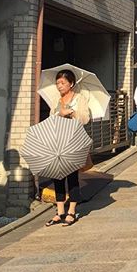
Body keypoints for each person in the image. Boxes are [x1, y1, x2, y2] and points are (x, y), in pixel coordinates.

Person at [45, 69, 90, 227]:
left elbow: (85, 118)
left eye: (63, 83)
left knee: (72, 177)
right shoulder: (57, 101)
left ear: (71, 84)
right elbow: (50, 119)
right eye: (57, 83)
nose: (59, 86)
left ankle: (71, 211)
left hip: (73, 142)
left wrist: (72, 113)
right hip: (58, 142)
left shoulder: (80, 99)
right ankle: (59, 212)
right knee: (56, 176)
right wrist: (59, 113)